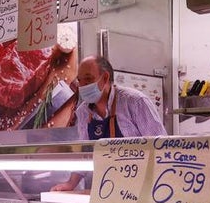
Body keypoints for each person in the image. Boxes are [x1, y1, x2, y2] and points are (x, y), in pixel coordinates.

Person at [51, 54, 167, 192]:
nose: (82, 86)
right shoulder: (83, 112)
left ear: (105, 78)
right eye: (80, 81)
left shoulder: (134, 102)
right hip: (108, 188)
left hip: (144, 188)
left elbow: (162, 148)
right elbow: (85, 152)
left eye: (88, 80)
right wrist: (71, 183)